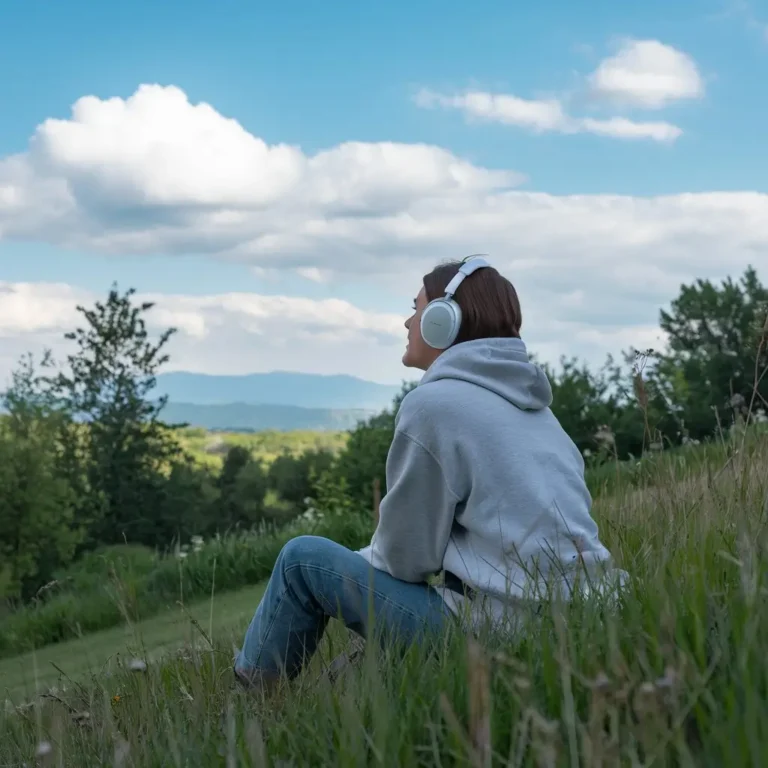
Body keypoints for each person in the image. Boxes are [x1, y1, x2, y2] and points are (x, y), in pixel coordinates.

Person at [233, 255, 623, 692]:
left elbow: (404, 559)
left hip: (500, 636)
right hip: (595, 616)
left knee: (301, 560)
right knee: (358, 671)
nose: (407, 321)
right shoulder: (538, 413)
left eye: (416, 309)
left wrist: (355, 566)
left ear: (443, 321)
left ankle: (251, 708)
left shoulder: (435, 405)